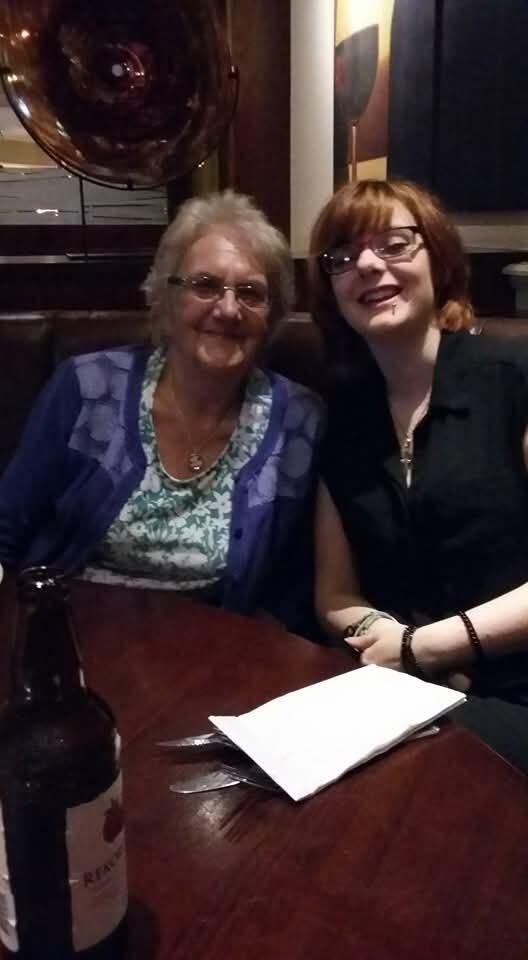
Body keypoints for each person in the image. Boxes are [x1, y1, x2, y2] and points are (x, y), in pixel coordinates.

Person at [0, 190, 323, 629]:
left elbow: (294, 585)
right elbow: (8, 529)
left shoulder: (299, 421)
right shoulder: (87, 387)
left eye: (250, 293)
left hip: (207, 657)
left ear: (271, 317)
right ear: (166, 299)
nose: (228, 309)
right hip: (66, 639)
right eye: (205, 285)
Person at [309, 177, 528, 772]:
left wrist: (423, 646)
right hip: (405, 693)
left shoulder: (514, 377)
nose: (369, 265)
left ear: (440, 259)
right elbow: (334, 593)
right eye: (344, 256)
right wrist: (388, 640)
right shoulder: (345, 418)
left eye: (396, 244)